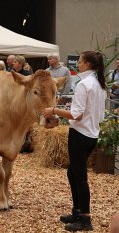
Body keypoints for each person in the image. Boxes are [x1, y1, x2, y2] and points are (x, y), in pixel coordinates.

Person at [42, 51, 107, 232]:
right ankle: (77, 211)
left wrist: (53, 110)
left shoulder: (84, 84)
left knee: (80, 177)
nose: (77, 65)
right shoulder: (100, 84)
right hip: (92, 135)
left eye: (79, 62)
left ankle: (85, 219)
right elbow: (93, 114)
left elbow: (76, 114)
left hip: (79, 135)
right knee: (73, 173)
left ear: (86, 64)